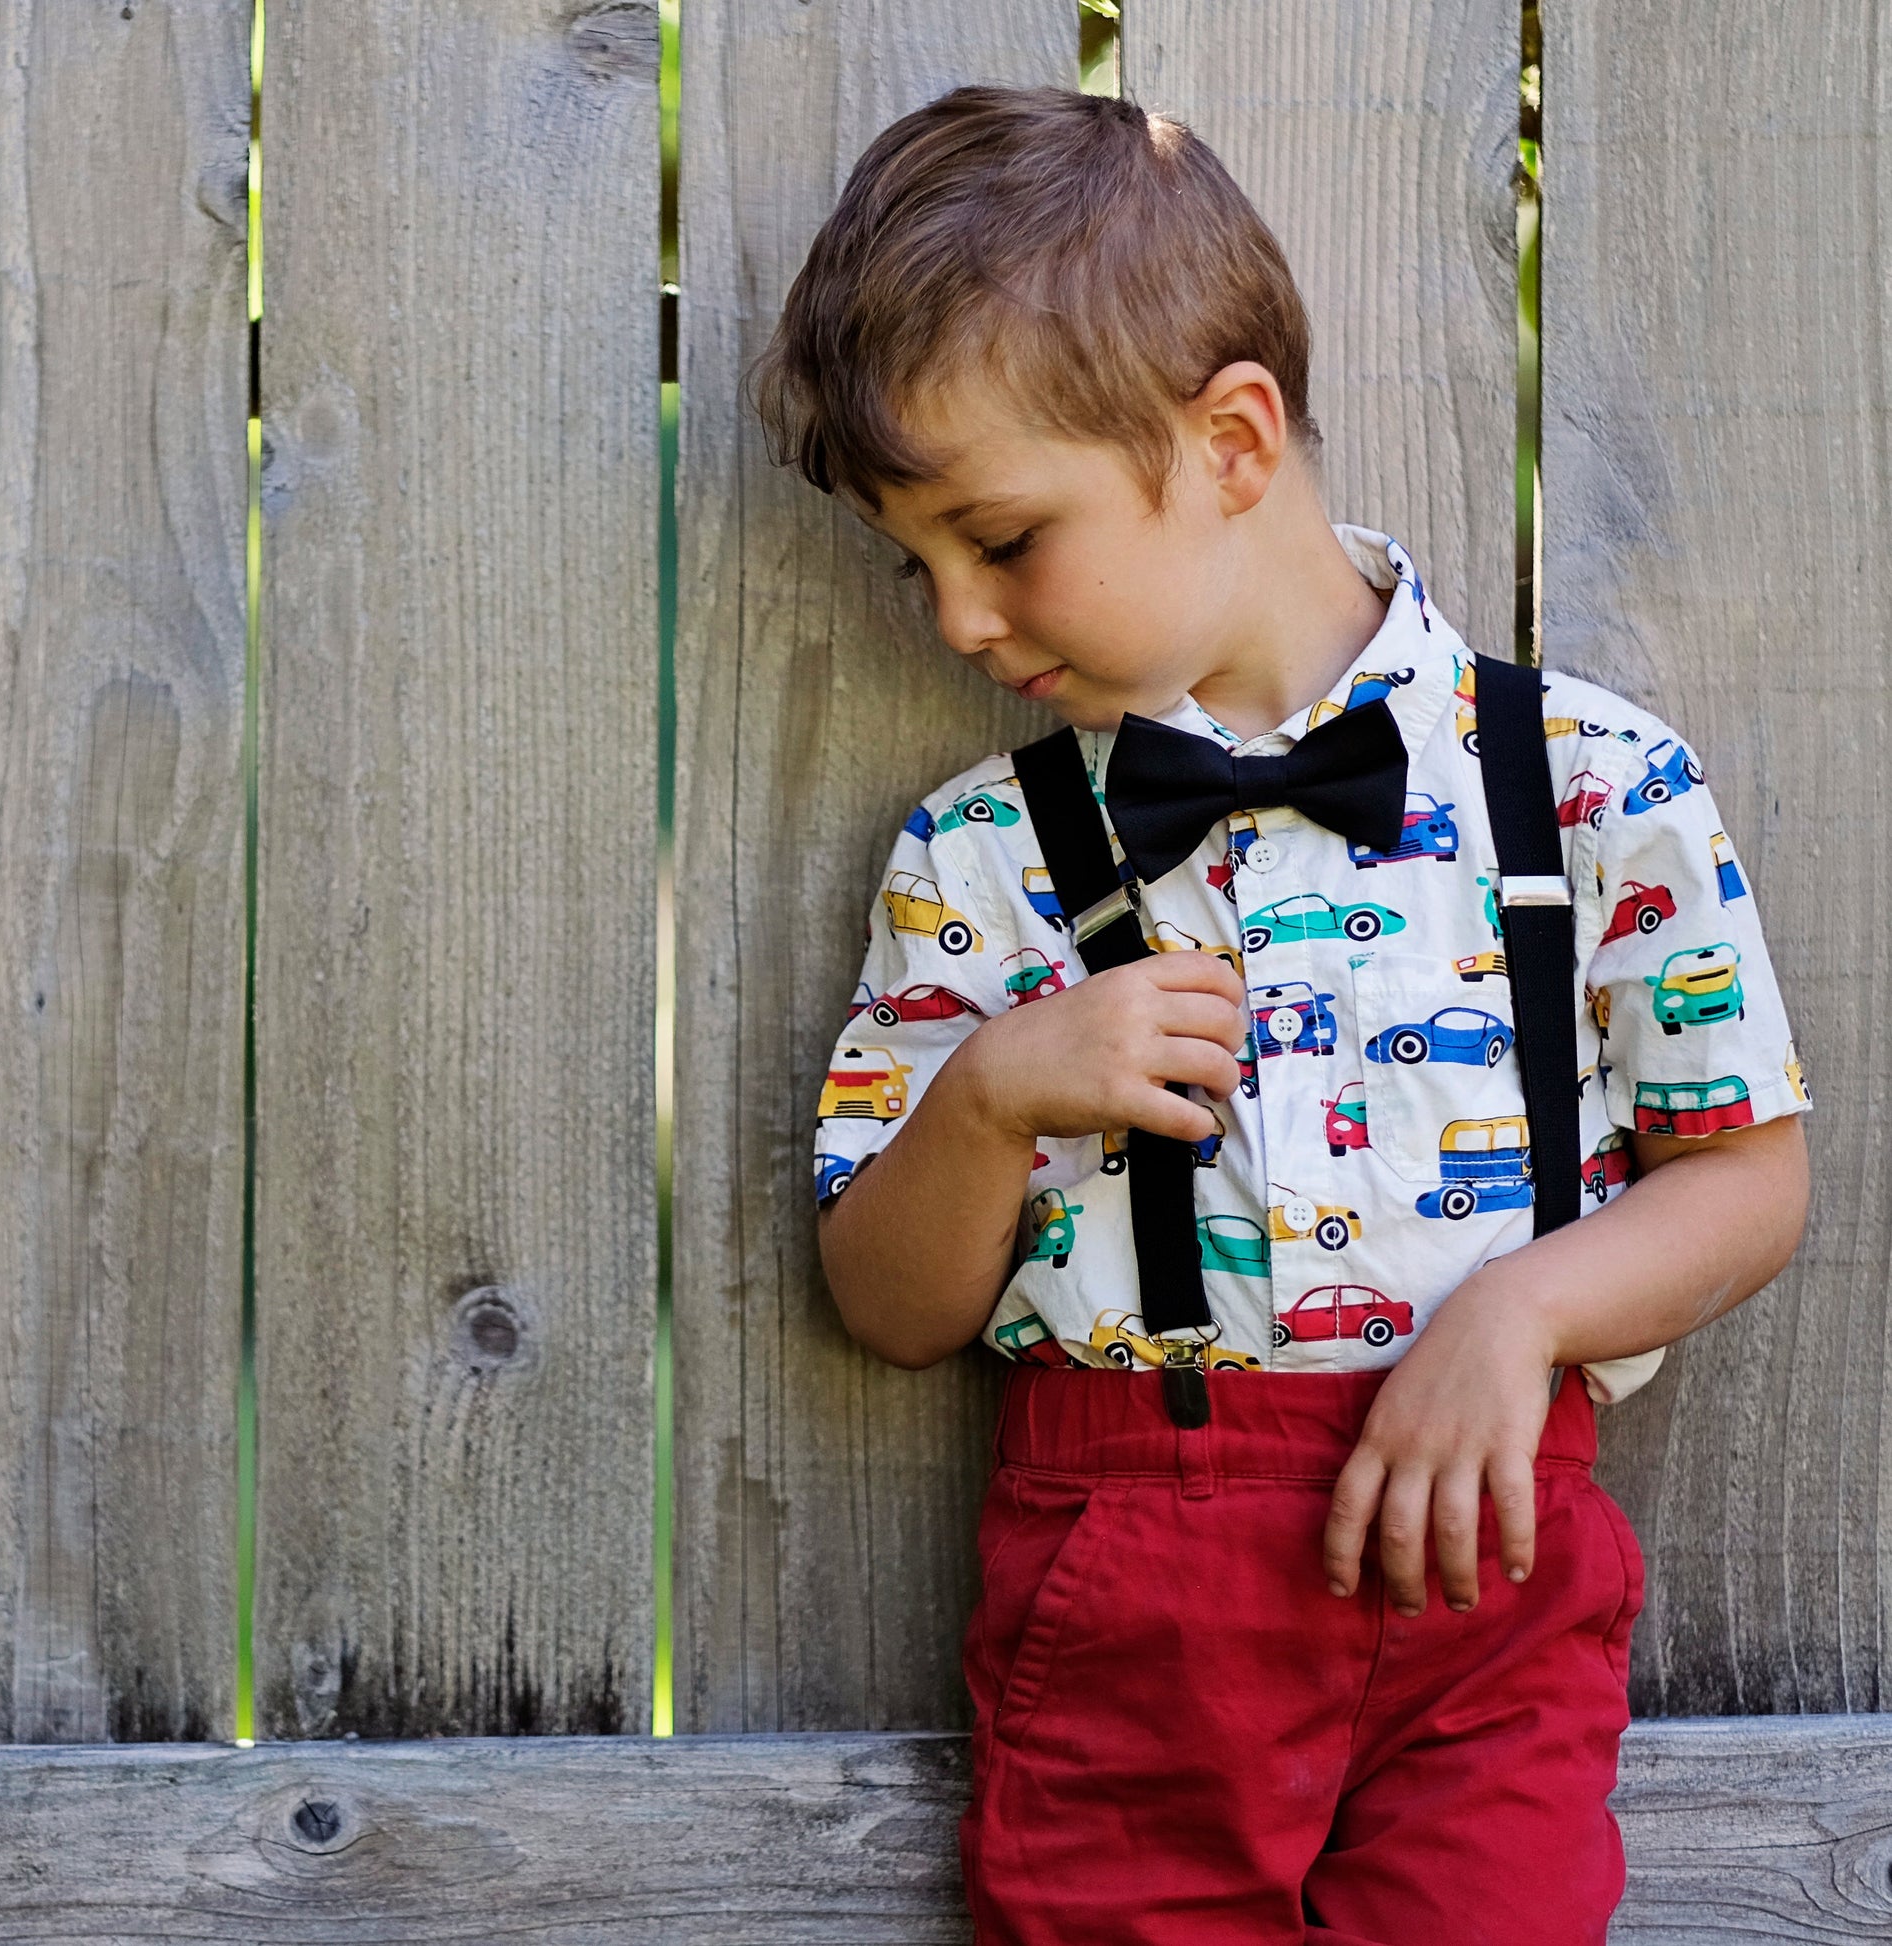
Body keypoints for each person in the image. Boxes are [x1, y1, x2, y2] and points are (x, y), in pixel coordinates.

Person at [751, 83, 1811, 1944]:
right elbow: (888, 1306)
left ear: (1231, 437)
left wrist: (1527, 1311)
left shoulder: (1584, 783)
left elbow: (1750, 1173)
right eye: (916, 566)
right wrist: (994, 1094)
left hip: (1490, 1573)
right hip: (1134, 1601)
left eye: (996, 538)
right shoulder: (984, 853)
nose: (954, 617)